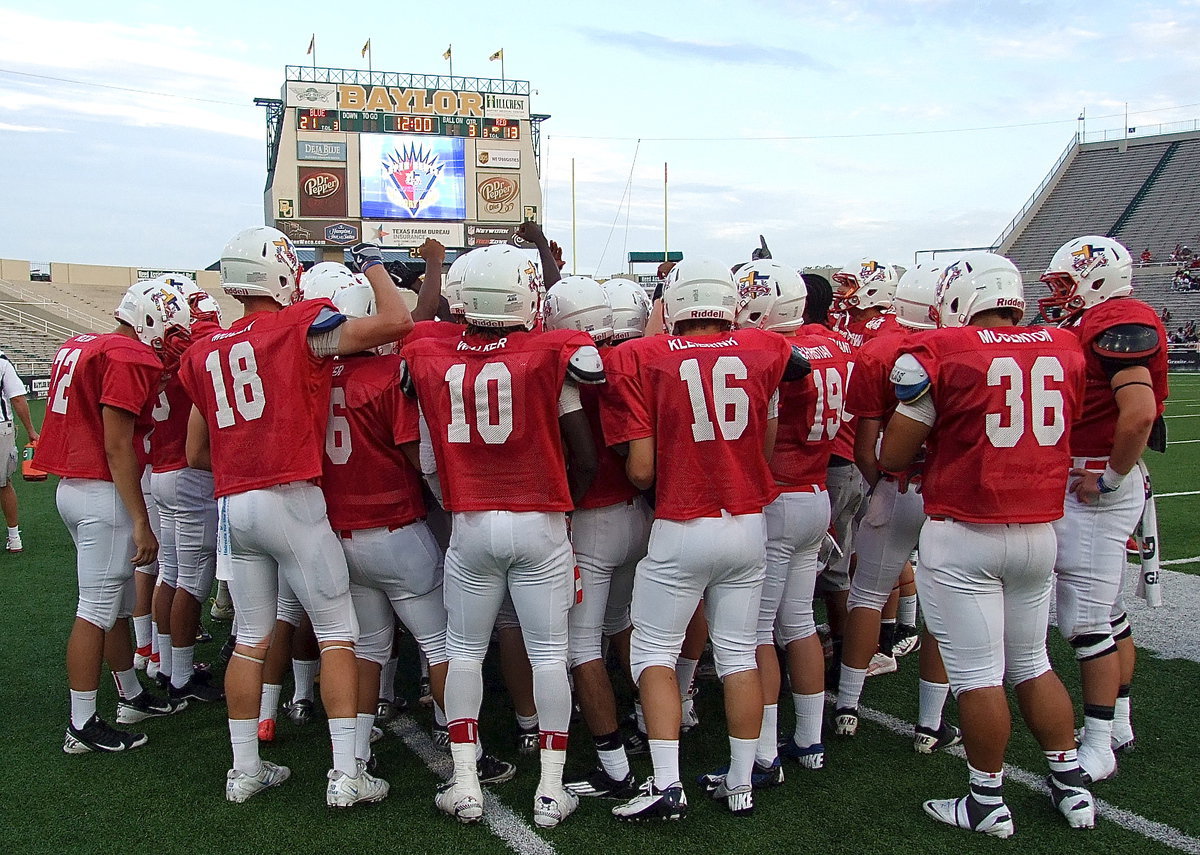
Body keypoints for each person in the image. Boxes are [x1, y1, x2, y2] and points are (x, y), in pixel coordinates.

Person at [179, 228, 411, 806]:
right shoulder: (298, 325)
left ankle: (245, 770)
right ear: (282, 272)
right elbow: (395, 323)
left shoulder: (203, 350)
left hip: (236, 503)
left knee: (250, 639)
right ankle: (345, 775)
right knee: (339, 633)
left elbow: (195, 453)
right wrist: (372, 262)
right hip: (291, 496)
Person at [880, 251, 1094, 837]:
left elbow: (894, 454)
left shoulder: (946, 354)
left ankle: (985, 800)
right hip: (1038, 533)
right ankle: (1072, 785)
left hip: (965, 532)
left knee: (977, 674)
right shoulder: (1063, 346)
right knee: (1032, 661)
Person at [400, 242, 599, 829]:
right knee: (549, 655)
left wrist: (459, 507)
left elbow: (428, 460)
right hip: (540, 522)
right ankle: (551, 789)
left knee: (463, 653)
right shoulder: (552, 353)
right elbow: (584, 457)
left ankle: (464, 780)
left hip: (472, 523)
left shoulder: (428, 355)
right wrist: (563, 510)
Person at [603, 258, 809, 820]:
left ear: (670, 306)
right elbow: (769, 425)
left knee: (653, 654)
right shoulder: (765, 348)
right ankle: (741, 782)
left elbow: (642, 471)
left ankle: (666, 785)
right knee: (739, 653)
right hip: (747, 524)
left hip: (683, 523)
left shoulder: (639, 357)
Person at [38, 278, 193, 753]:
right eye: (171, 332)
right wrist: (140, 518)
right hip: (104, 493)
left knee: (117, 605)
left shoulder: (87, 343)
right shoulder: (128, 356)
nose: (173, 343)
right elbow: (116, 444)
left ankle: (130, 693)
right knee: (95, 610)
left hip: (76, 488)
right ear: (150, 322)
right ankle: (81, 724)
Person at [1040, 235, 1169, 782]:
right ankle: (1118, 721)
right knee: (1107, 612)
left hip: (1094, 484)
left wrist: (1110, 477)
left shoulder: (1120, 320)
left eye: (1068, 283)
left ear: (1099, 276)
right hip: (1091, 477)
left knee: (1085, 620)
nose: (1061, 295)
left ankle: (1098, 746)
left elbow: (1138, 412)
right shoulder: (1099, 319)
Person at [725, 260, 846, 777]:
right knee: (797, 622)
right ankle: (811, 740)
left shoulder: (772, 355)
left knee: (756, 633)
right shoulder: (838, 345)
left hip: (777, 497)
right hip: (816, 493)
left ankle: (765, 751)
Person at [834, 264, 958, 752]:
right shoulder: (966, 347)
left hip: (896, 485)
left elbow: (867, 449)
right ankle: (930, 725)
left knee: (866, 594)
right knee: (945, 609)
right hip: (953, 494)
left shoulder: (878, 351)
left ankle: (847, 706)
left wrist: (882, 487)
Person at [542, 276, 651, 800]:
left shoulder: (566, 371)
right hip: (637, 515)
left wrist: (569, 503)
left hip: (592, 522)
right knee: (624, 626)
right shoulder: (632, 359)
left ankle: (614, 764)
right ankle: (649, 725)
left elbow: (581, 456)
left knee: (580, 647)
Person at [821, 260, 902, 682]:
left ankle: (882, 640)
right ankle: (871, 639)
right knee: (852, 553)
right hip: (849, 447)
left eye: (853, 285)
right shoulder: (850, 325)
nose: (847, 292)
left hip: (859, 447)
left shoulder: (887, 337)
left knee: (869, 556)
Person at [147, 279, 226, 705]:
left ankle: (163, 661)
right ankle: (179, 677)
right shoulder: (199, 349)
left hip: (160, 469)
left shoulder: (159, 350)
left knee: (170, 573)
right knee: (191, 582)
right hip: (190, 472)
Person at [0, 349, 39, 551]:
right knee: (4, 483)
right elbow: (17, 397)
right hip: (0, 427)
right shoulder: (1, 359)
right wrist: (31, 430)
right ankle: (14, 537)